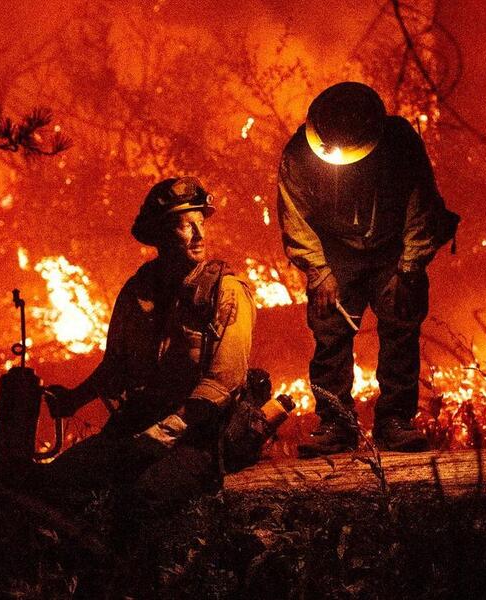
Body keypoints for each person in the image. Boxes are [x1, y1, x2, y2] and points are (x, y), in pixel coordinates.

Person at [44, 176, 257, 507]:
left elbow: (225, 380)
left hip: (198, 435)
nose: (199, 235)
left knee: (143, 495)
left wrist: (166, 431)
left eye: (201, 223)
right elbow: (115, 366)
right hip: (141, 420)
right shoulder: (138, 291)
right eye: (185, 226)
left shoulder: (225, 291)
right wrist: (74, 399)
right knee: (56, 481)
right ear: (160, 234)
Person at [277, 82, 458, 456]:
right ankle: (336, 423)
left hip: (394, 244)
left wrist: (410, 266)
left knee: (400, 326)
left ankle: (394, 421)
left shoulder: (400, 145)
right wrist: (318, 271)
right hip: (336, 249)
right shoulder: (299, 155)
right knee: (329, 330)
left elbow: (420, 207)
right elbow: (294, 216)